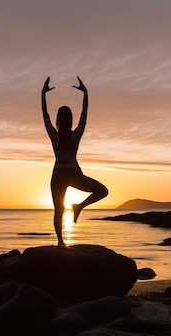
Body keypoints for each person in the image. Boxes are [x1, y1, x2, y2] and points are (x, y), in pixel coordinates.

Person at [41, 76, 108, 247]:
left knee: (59, 211)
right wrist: (85, 93)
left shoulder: (54, 136)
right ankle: (78, 207)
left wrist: (43, 94)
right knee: (102, 191)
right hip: (73, 173)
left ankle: (61, 242)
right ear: (70, 119)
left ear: (58, 119)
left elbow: (45, 115)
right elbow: (84, 114)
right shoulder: (75, 136)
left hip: (59, 175)